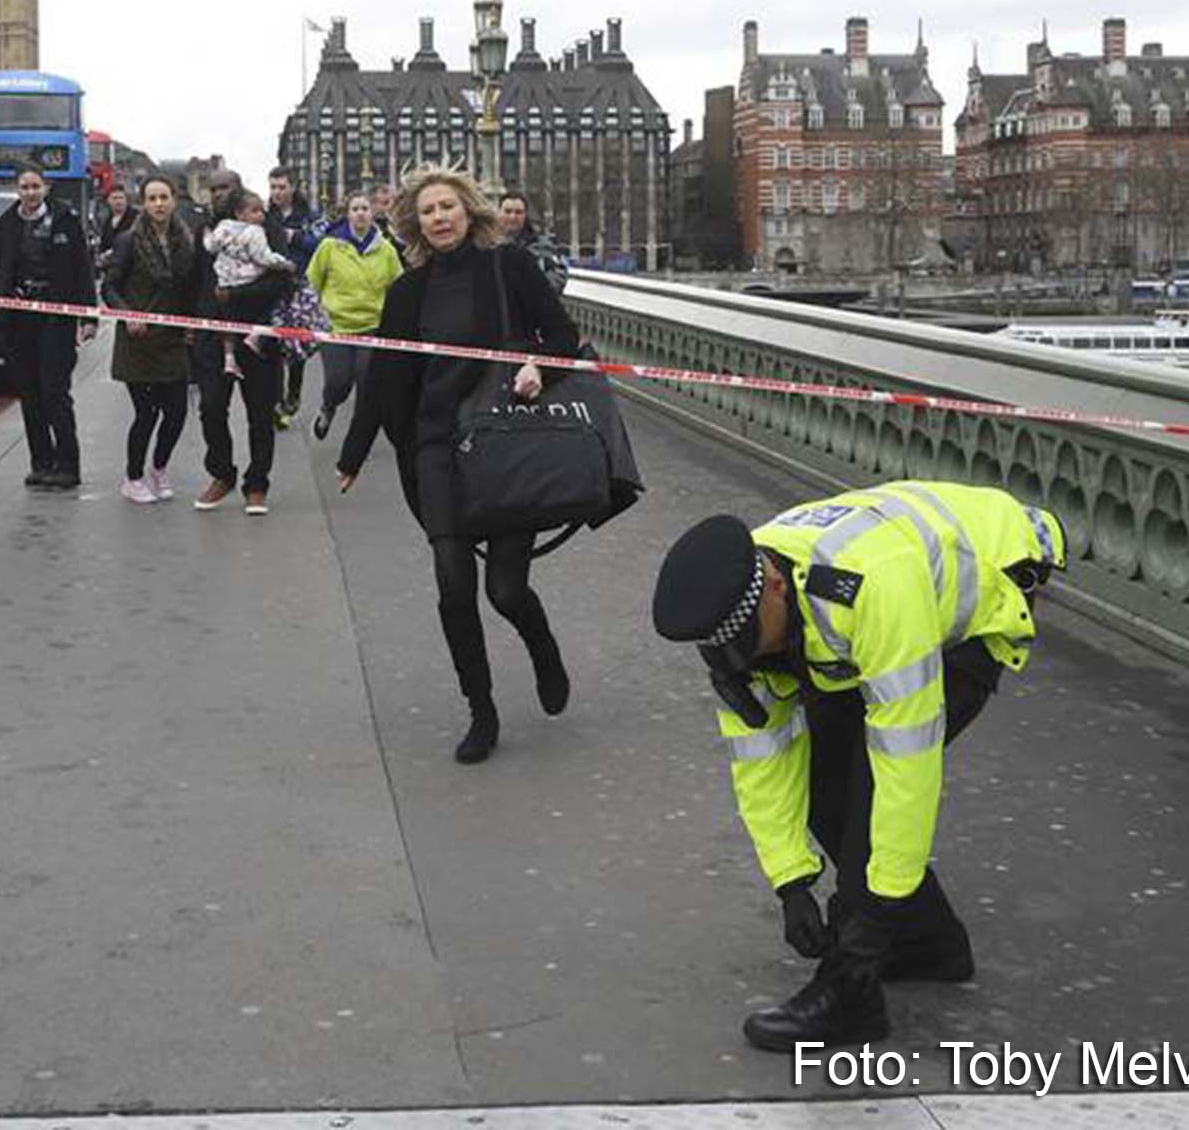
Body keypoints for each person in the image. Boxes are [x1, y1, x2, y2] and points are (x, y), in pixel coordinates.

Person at [652, 484, 1063, 1052]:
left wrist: (867, 924)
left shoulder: (870, 589)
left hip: (984, 589)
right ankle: (932, 948)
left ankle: (853, 997)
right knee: (828, 779)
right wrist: (790, 882)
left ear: (774, 587)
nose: (743, 660)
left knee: (871, 786)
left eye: (749, 640)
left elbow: (905, 766)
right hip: (863, 606)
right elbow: (760, 759)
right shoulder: (741, 605)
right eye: (726, 648)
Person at [335, 168, 577, 764]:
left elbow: (565, 338)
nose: (439, 218)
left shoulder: (510, 268)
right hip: (435, 449)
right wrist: (355, 452)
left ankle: (541, 646)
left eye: (448, 206)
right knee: (452, 586)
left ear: (469, 211)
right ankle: (482, 710)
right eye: (427, 211)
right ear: (414, 224)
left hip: (502, 443)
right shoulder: (407, 292)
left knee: (505, 588)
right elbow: (385, 376)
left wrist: (539, 367)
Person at [0, 161, 98, 490]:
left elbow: (83, 270)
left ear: (46, 188)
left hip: (56, 320)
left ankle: (68, 465)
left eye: (36, 186)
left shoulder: (66, 221)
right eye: (25, 187)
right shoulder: (6, 224)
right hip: (19, 320)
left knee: (54, 392)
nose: (31, 193)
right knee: (29, 394)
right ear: (17, 190)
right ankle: (41, 463)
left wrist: (88, 315)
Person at [188, 172, 284, 515]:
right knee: (211, 407)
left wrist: (236, 295)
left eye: (224, 188)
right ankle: (221, 473)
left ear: (238, 189)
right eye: (212, 189)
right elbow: (197, 277)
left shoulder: (265, 227)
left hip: (257, 334)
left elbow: (282, 279)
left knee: (260, 412)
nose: (217, 195)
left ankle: (256, 484)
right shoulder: (207, 231)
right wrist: (195, 320)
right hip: (213, 334)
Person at [101, 174, 192, 505]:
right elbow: (108, 287)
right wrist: (128, 314)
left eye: (164, 197)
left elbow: (190, 286)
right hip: (137, 340)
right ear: (143, 203)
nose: (158, 204)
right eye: (152, 198)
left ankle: (159, 467)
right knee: (147, 412)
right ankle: (133, 477)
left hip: (172, 338)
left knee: (178, 411)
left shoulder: (186, 239)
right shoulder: (127, 240)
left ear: (174, 200)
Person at [305, 192, 400, 441]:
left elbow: (399, 287)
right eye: (355, 208)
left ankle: (358, 438)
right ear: (348, 214)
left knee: (367, 384)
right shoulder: (329, 246)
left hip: (372, 327)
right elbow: (312, 282)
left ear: (372, 214)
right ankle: (328, 406)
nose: (360, 213)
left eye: (365, 208)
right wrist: (311, 318)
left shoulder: (386, 250)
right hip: (336, 326)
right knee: (339, 382)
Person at [205, 189, 293, 378]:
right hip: (247, 279)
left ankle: (229, 359)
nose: (261, 215)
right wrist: (284, 263)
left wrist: (207, 236)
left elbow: (211, 246)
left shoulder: (223, 226)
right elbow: (263, 257)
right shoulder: (255, 232)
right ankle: (254, 337)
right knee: (276, 305)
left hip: (225, 281)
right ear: (239, 213)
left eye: (261, 211)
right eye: (255, 211)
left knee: (228, 321)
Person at [267, 166, 320, 422]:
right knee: (274, 347)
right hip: (273, 288)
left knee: (297, 349)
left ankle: (293, 395)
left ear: (293, 187)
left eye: (281, 187)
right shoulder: (266, 215)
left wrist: (294, 236)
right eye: (273, 187)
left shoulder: (309, 215)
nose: (276, 192)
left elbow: (320, 243)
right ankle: (276, 402)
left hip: (300, 289)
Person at [497, 191, 568, 295]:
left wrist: (535, 291)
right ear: (498, 212)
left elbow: (558, 275)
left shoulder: (541, 244)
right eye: (507, 211)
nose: (512, 217)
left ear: (525, 215)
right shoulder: (485, 243)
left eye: (518, 212)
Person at [93, 180, 135, 268]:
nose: (118, 201)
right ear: (108, 200)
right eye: (115, 198)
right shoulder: (106, 221)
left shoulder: (135, 217)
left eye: (121, 198)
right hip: (111, 268)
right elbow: (103, 243)